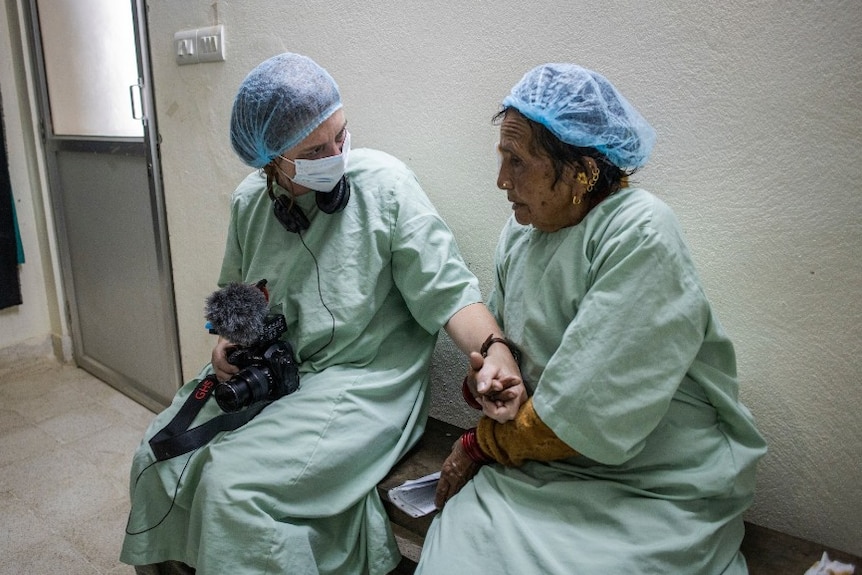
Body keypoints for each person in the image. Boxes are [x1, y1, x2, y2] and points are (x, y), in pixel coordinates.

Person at [120, 52, 520, 575]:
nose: (336, 154)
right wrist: (226, 342)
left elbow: (452, 295)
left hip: (363, 381)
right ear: (271, 159)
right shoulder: (250, 203)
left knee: (233, 488)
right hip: (277, 372)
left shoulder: (386, 187)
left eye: (342, 135)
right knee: (155, 458)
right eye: (314, 149)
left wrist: (494, 351)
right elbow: (240, 296)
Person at [415, 63, 767, 574]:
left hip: (652, 484)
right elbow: (518, 356)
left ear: (581, 170)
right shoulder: (523, 232)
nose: (501, 181)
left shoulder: (639, 233)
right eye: (501, 158)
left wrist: (476, 446)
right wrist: (494, 376)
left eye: (517, 161)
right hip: (538, 466)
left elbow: (580, 416)